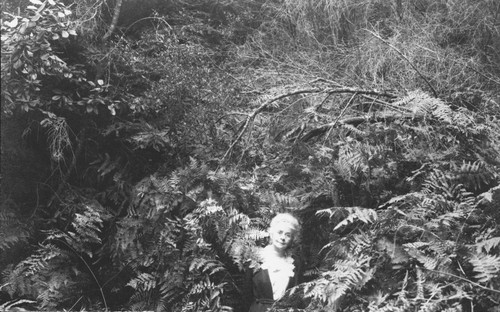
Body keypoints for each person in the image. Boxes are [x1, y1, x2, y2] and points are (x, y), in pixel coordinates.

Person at [243, 213, 301, 312]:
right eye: (279, 232)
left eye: (288, 235)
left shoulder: (295, 263)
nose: (283, 237)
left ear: (292, 239)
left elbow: (298, 297)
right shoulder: (256, 258)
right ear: (271, 233)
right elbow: (246, 296)